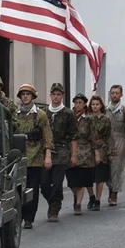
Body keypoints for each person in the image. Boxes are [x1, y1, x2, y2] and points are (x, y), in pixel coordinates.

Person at [13, 84, 53, 228]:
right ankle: (19, 215)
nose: (25, 97)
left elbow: (47, 135)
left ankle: (29, 218)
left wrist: (47, 155)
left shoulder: (40, 114)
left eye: (28, 94)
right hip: (18, 157)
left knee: (32, 188)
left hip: (35, 158)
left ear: (33, 97)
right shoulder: (15, 113)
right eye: (23, 94)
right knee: (18, 189)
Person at [44, 83, 75, 222]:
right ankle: (52, 201)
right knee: (44, 183)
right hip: (46, 151)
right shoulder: (44, 112)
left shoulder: (68, 113)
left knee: (57, 183)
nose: (56, 97)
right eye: (54, 94)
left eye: (58, 94)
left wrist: (74, 154)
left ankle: (54, 208)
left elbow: (74, 135)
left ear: (62, 96)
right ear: (50, 95)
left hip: (62, 151)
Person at [106, 84, 125, 206]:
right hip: (107, 140)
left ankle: (114, 193)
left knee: (117, 168)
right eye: (112, 93)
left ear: (121, 95)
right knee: (107, 168)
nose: (114, 95)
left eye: (116, 93)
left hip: (120, 140)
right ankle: (110, 188)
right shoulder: (105, 109)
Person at [86, 94, 113, 211]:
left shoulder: (105, 119)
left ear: (101, 105)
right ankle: (91, 196)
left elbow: (109, 135)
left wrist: (111, 151)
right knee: (87, 175)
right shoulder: (87, 118)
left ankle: (97, 199)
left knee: (100, 176)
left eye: (97, 104)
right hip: (88, 148)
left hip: (102, 147)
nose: (95, 107)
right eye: (93, 104)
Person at [68, 93, 93, 214]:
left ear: (84, 105)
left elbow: (93, 135)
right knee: (71, 179)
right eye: (76, 102)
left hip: (85, 150)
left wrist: (96, 152)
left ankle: (78, 203)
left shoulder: (88, 119)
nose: (77, 105)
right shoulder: (69, 116)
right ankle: (76, 194)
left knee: (81, 179)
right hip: (70, 150)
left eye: (80, 103)